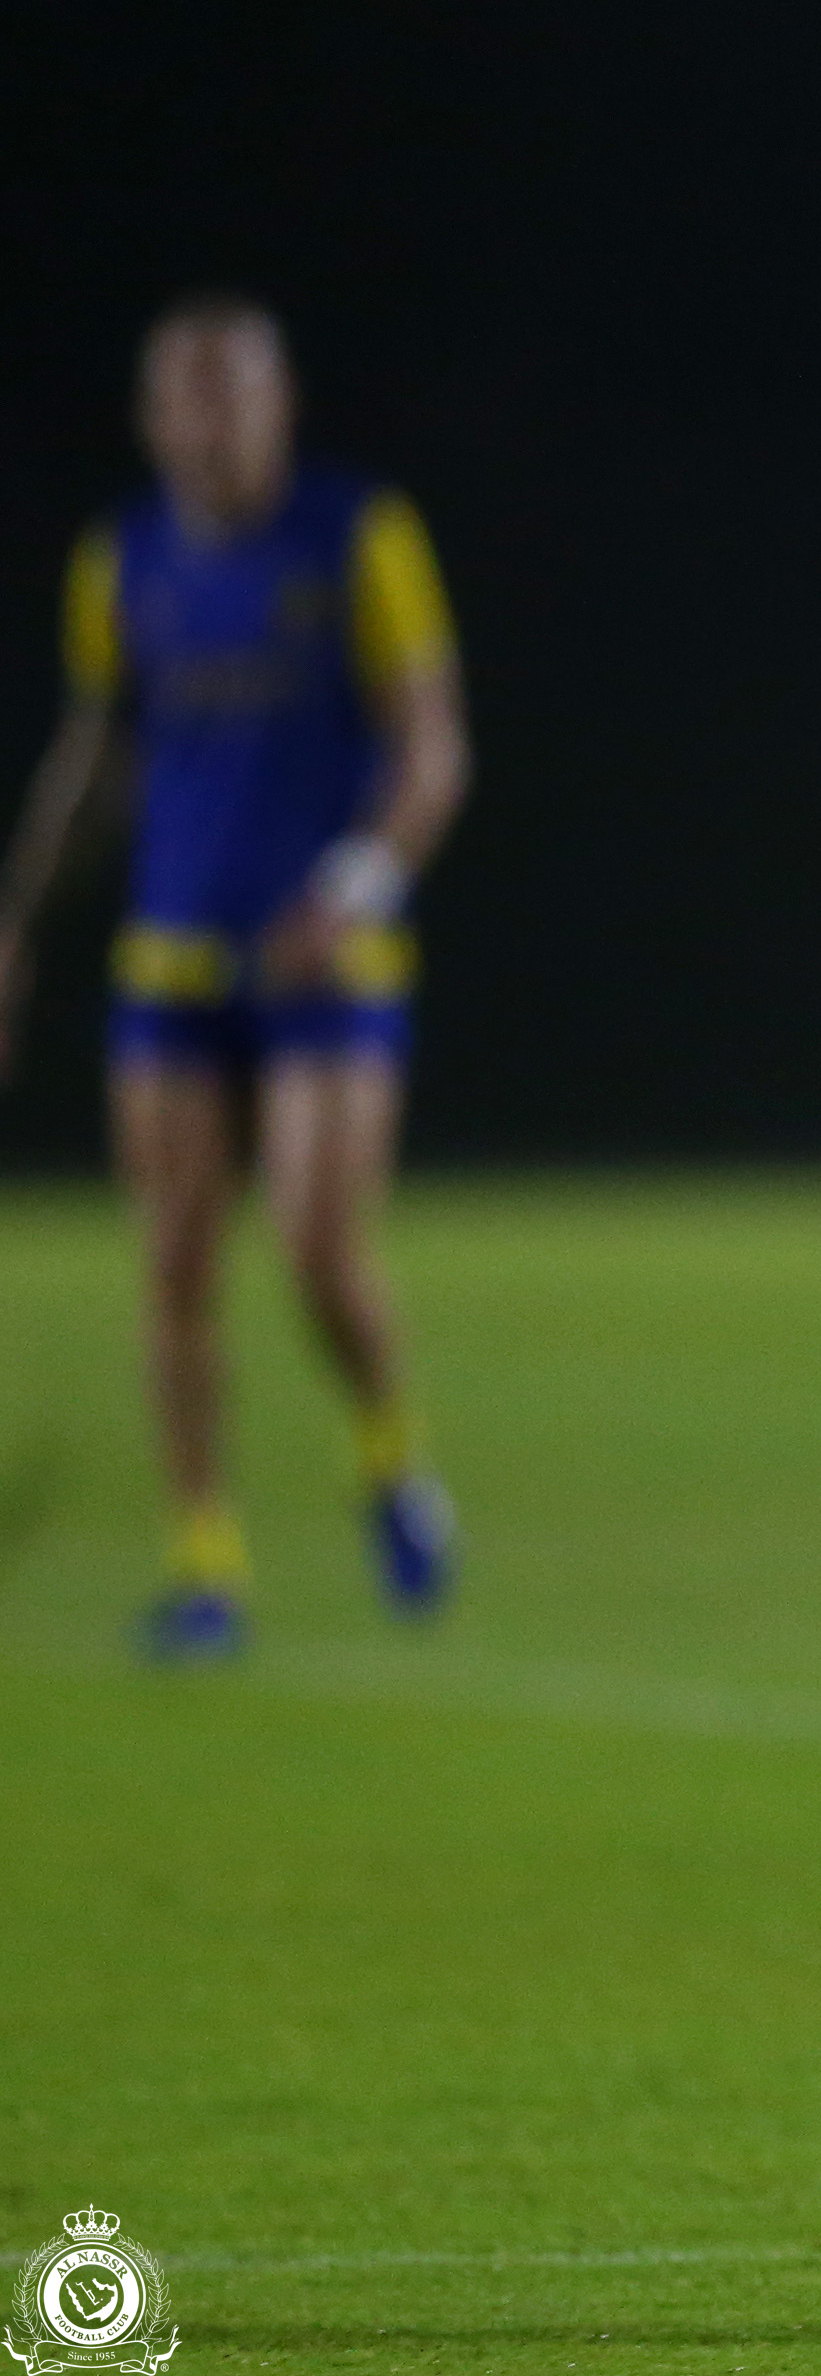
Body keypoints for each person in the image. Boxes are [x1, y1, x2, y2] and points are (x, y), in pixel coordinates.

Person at [0, 295, 470, 1660]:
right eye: (190, 399)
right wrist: (18, 913)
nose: (214, 424)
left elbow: (433, 748)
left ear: (283, 405)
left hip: (329, 956)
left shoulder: (358, 537)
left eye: (238, 396)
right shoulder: (123, 561)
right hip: (173, 955)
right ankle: (206, 1563)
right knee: (175, 1263)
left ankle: (390, 1456)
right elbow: (100, 754)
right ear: (153, 419)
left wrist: (354, 886)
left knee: (320, 1251)